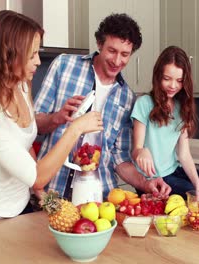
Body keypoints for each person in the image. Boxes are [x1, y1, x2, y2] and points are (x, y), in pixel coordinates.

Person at [0, 10, 103, 224]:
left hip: (22, 208)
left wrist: (46, 199)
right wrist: (76, 129)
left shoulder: (21, 86)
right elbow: (37, 175)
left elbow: (26, 148)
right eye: (31, 54)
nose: (38, 61)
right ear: (8, 55)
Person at [34, 13, 171, 199]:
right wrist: (57, 117)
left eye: (125, 54)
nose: (117, 61)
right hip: (50, 192)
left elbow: (120, 159)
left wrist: (146, 183)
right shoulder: (64, 66)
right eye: (112, 51)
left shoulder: (127, 98)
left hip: (99, 198)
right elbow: (34, 125)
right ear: (99, 44)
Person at [131, 46, 199, 205]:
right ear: (158, 77)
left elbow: (184, 154)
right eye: (167, 78)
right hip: (153, 179)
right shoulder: (144, 104)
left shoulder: (181, 107)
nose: (173, 86)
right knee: (191, 195)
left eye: (179, 81)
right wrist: (142, 151)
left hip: (174, 171)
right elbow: (136, 150)